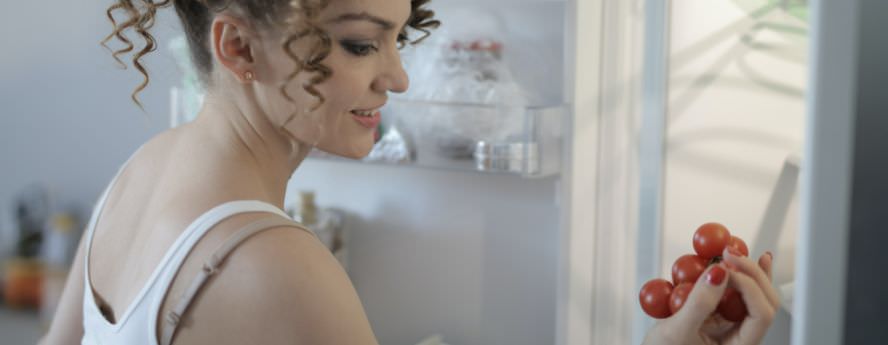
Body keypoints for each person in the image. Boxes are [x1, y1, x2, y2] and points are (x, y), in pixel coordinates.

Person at [38, 0, 776, 344]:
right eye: (362, 44)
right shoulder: (277, 265)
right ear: (238, 49)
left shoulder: (140, 171)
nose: (398, 78)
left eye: (399, 38)